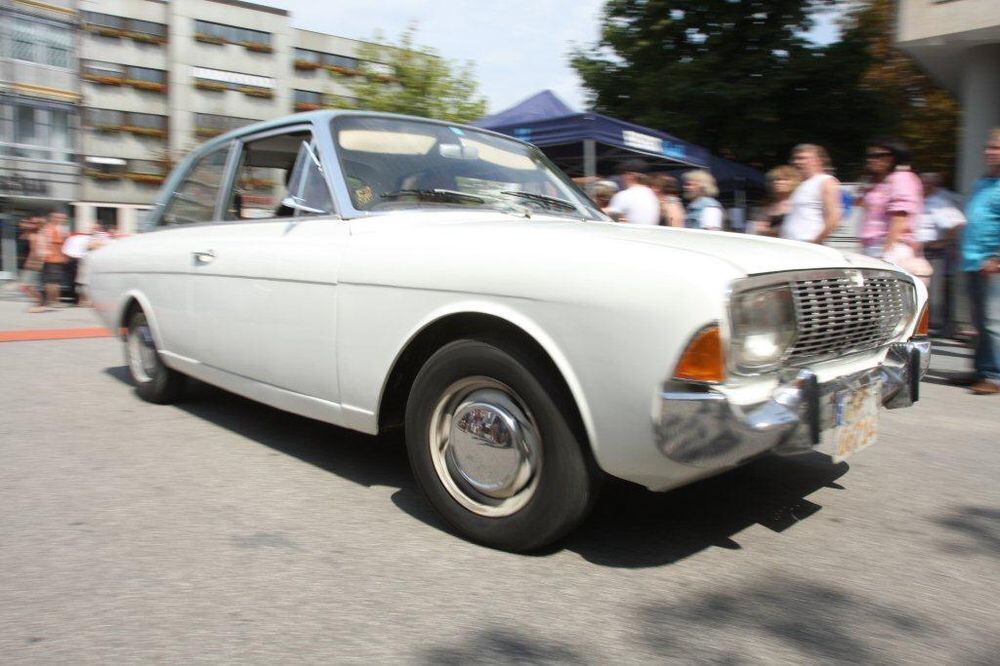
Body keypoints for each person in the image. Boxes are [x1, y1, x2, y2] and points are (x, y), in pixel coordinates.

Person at [960, 128, 1000, 395]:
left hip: (992, 263)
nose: (988, 151)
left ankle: (994, 376)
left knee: (993, 321)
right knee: (979, 321)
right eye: (989, 147)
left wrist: (997, 258)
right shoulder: (983, 182)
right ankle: (980, 371)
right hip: (974, 260)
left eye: (995, 148)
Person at [858, 138, 923, 260]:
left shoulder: (902, 178)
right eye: (869, 156)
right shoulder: (878, 183)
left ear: (893, 157)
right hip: (872, 247)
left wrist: (886, 253)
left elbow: (899, 218)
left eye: (878, 156)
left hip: (892, 247)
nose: (871, 159)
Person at [918, 172, 966, 335]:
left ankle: (934, 324)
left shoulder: (939, 202)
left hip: (933, 252)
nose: (923, 186)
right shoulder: (918, 201)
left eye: (927, 184)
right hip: (917, 251)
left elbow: (957, 223)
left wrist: (943, 242)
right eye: (922, 183)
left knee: (931, 291)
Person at [781, 144, 842, 244]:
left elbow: (833, 218)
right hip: (790, 245)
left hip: (808, 246)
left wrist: (815, 243)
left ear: (818, 161)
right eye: (794, 159)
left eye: (802, 158)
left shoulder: (825, 181)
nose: (796, 162)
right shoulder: (800, 184)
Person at [605, 159, 661, 225]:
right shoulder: (652, 194)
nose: (620, 177)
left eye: (623, 173)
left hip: (630, 234)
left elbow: (607, 219)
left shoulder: (624, 195)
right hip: (649, 234)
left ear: (630, 175)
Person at [754, 165, 800, 236]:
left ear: (794, 182)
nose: (779, 182)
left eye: (785, 179)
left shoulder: (798, 204)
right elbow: (759, 229)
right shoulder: (768, 206)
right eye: (777, 179)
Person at [37, 211, 68, 310]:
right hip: (51, 258)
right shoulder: (50, 229)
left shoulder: (56, 229)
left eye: (61, 218)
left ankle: (53, 301)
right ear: (52, 218)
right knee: (52, 282)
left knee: (54, 282)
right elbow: (53, 243)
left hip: (54, 259)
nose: (60, 220)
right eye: (58, 218)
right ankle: (53, 301)